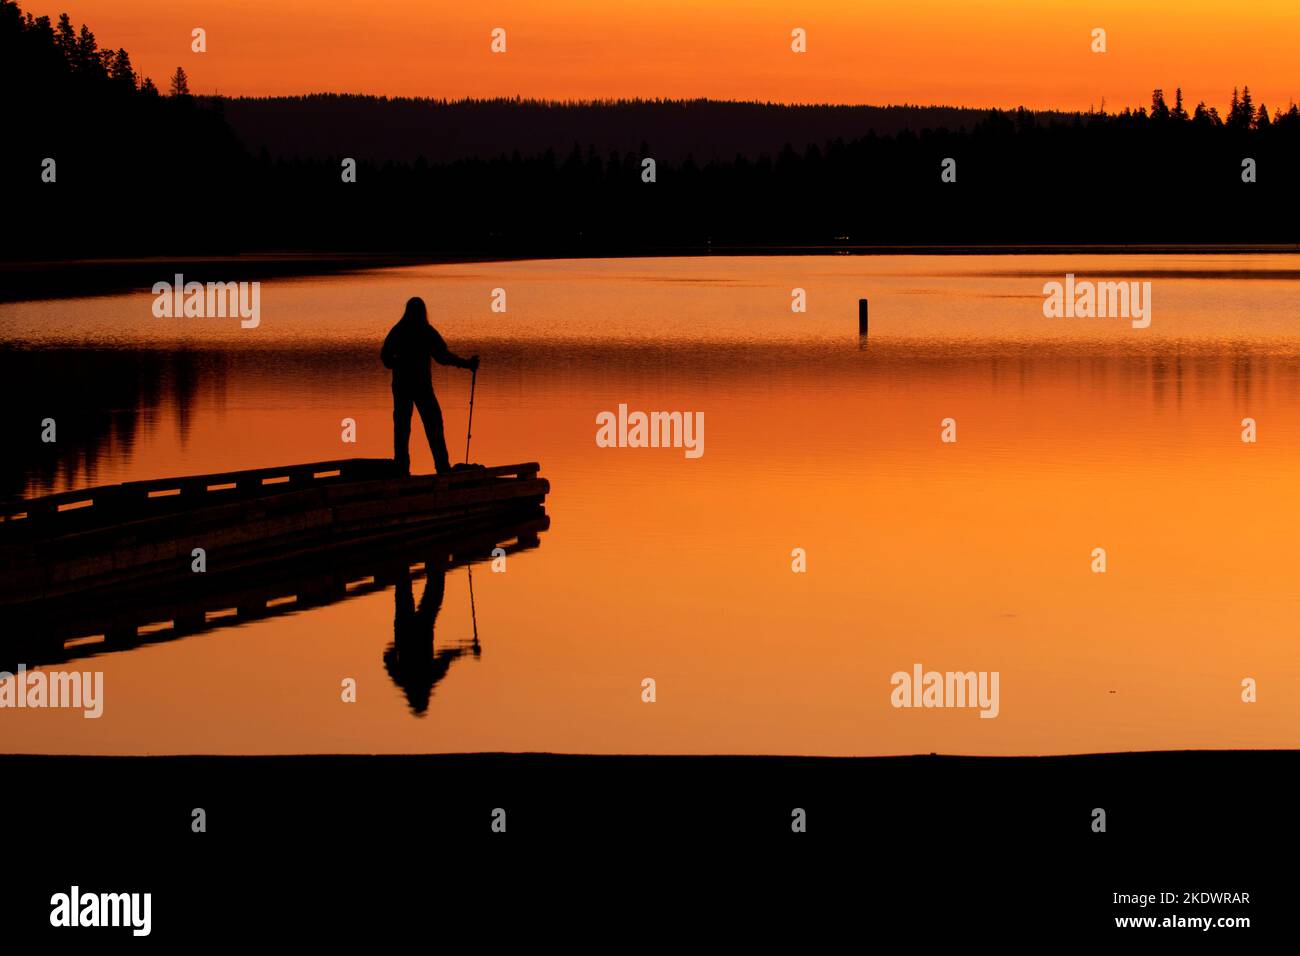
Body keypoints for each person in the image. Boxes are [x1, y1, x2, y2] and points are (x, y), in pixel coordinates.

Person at [380, 296, 478, 475]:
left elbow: (385, 356)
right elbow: (443, 356)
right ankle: (441, 467)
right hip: (420, 386)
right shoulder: (425, 331)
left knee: (402, 426)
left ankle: (402, 467)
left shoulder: (399, 330)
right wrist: (466, 364)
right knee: (432, 424)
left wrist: (397, 365)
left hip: (402, 385)